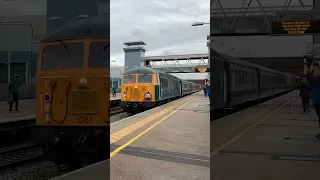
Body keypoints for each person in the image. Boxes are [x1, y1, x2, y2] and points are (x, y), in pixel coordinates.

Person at [307, 67, 320, 138]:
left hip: (317, 102)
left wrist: (309, 70)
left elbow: (309, 77)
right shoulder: (316, 79)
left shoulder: (316, 79)